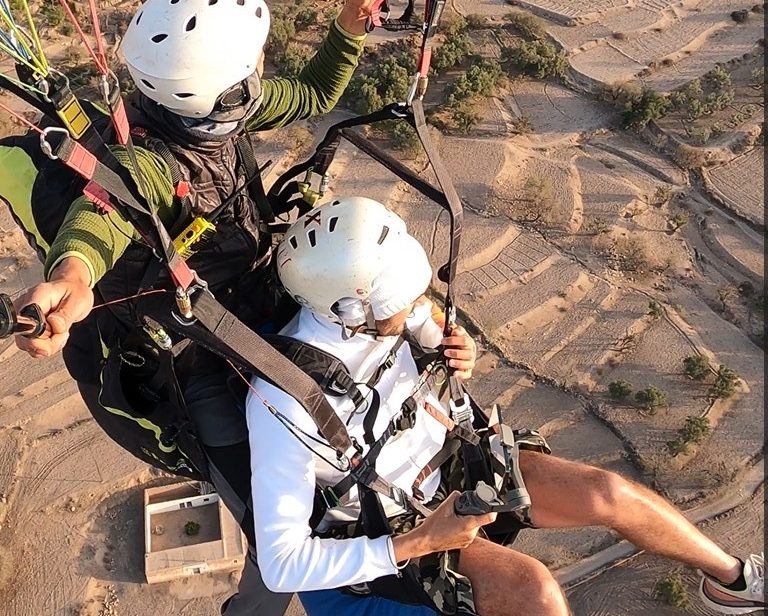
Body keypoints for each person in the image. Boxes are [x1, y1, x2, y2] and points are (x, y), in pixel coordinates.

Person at [11, 0, 382, 614]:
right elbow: (104, 211)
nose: (262, 68)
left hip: (265, 300)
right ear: (224, 89)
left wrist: (347, 26)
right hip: (201, 359)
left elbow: (313, 93)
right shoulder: (151, 162)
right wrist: (72, 279)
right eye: (253, 63)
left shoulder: (217, 108)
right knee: (279, 535)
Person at [246, 196, 765, 616]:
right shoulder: (283, 401)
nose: (412, 306)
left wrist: (457, 344)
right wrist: (416, 543)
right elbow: (282, 564)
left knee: (605, 491)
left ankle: (733, 581)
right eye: (397, 302)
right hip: (399, 518)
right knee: (533, 592)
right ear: (351, 310)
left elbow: (428, 324)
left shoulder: (378, 308)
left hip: (455, 457)